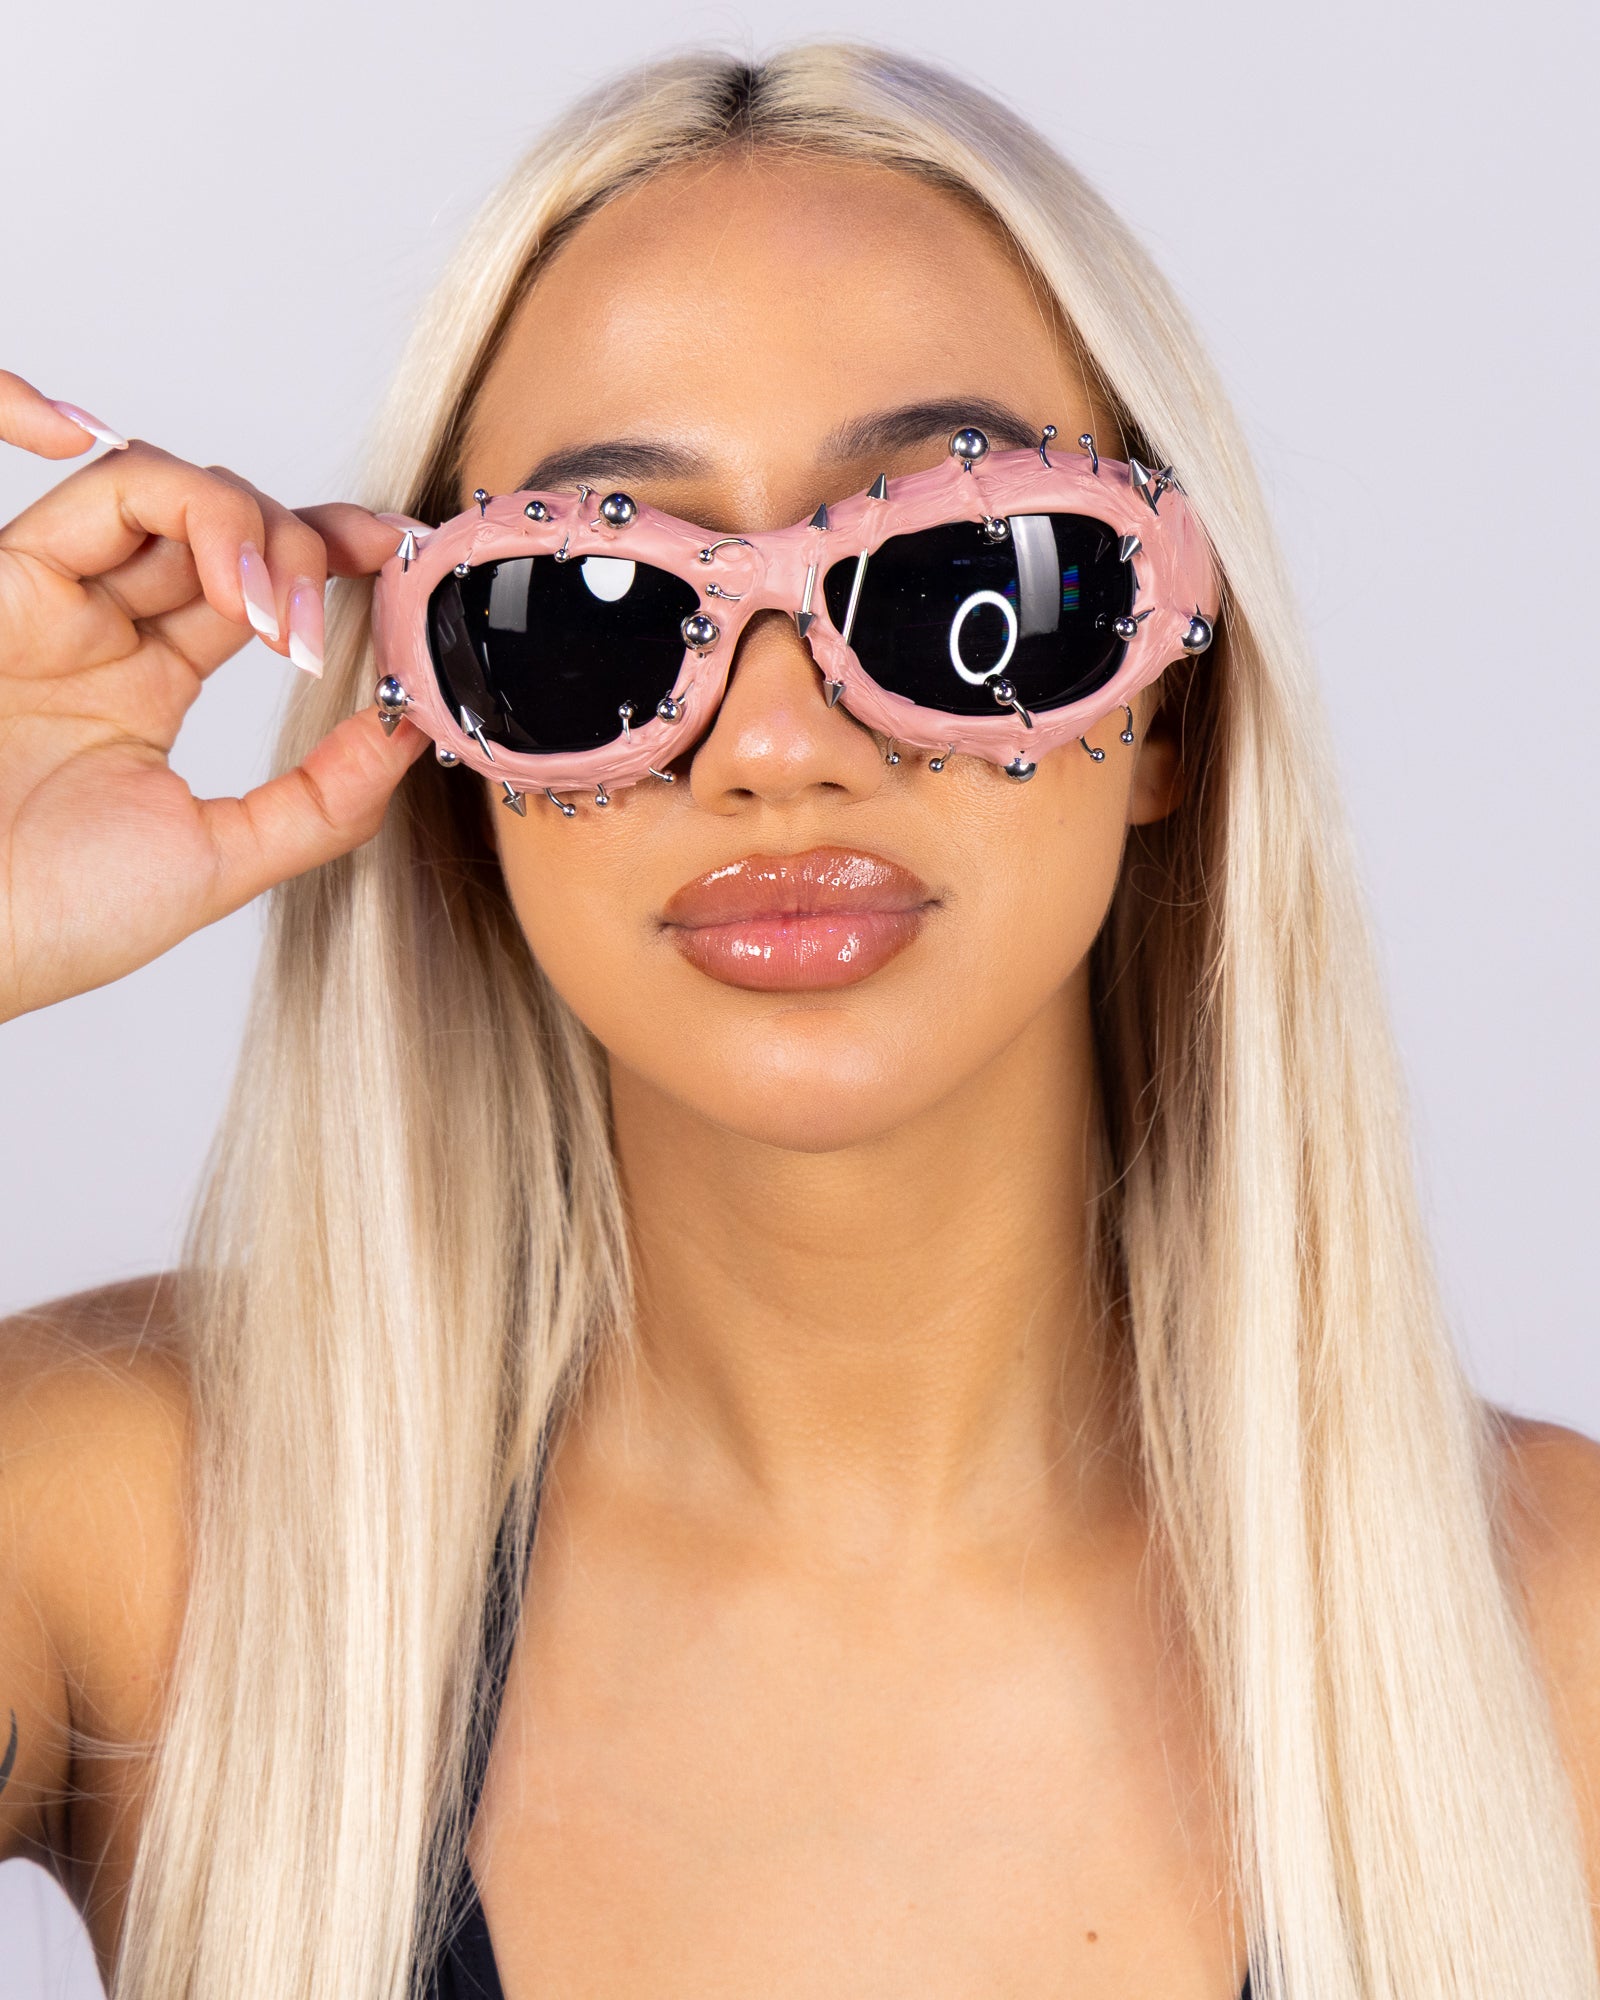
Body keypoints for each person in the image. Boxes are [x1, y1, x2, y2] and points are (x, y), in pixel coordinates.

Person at [1, 42, 1597, 2000]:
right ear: (450, 740)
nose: (770, 743)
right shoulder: (136, 1526)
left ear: (1166, 704)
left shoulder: (1561, 1644)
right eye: (590, 610)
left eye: (954, 583)